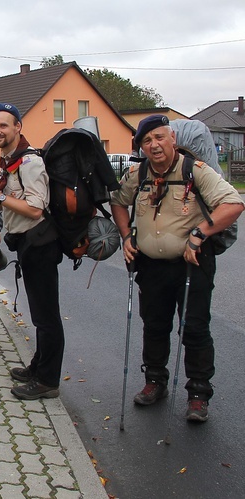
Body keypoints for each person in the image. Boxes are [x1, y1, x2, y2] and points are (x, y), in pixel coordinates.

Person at [110, 114, 244, 422]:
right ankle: (155, 381)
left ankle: (198, 393)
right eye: (147, 141)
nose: (154, 145)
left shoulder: (195, 171)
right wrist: (126, 234)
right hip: (151, 267)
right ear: (141, 147)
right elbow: (118, 201)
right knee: (154, 326)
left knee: (194, 329)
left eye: (159, 137)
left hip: (191, 266)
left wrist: (200, 234)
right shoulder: (138, 174)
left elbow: (233, 204)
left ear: (172, 138)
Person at [0, 103, 65, 400]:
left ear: (18, 128)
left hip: (40, 244)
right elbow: (14, 201)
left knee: (46, 315)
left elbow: (36, 209)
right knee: (39, 313)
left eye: (4, 125)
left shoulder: (29, 163)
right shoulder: (10, 161)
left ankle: (48, 381)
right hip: (27, 243)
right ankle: (39, 366)